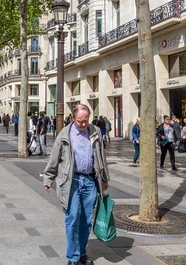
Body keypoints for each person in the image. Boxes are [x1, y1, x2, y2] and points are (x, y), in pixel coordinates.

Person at [42, 104, 109, 265]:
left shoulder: (95, 132)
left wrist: (105, 178)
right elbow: (54, 157)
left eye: (86, 120)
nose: (84, 124)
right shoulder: (65, 134)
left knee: (86, 220)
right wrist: (48, 178)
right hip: (70, 181)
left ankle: (82, 253)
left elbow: (101, 157)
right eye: (80, 121)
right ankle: (72, 257)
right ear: (73, 118)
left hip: (90, 181)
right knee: (72, 219)